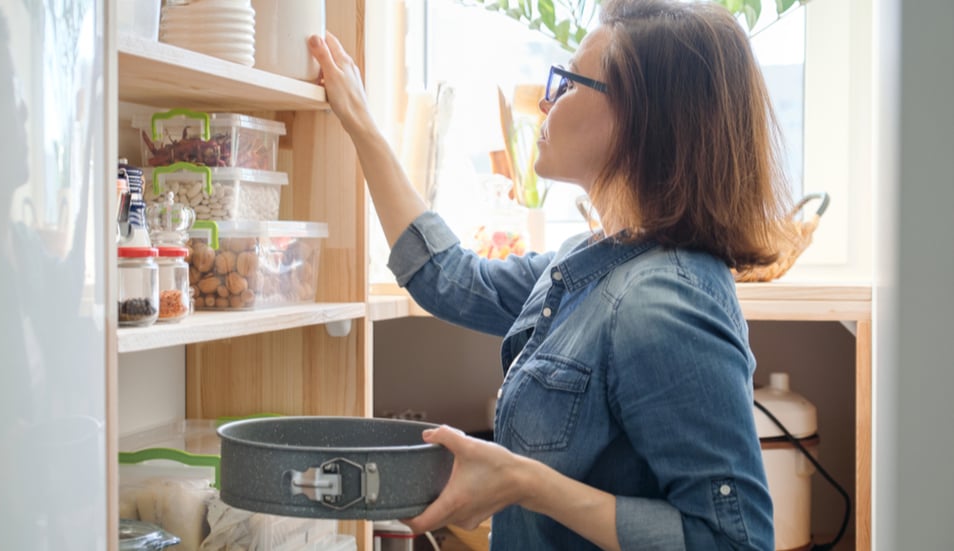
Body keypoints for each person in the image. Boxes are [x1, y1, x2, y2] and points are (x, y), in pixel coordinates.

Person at [309, 0, 791, 548]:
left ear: (636, 116)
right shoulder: (587, 263)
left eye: (566, 83)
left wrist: (525, 483)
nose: (545, 100)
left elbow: (734, 541)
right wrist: (362, 125)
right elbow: (448, 278)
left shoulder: (665, 300)